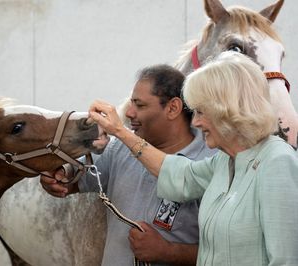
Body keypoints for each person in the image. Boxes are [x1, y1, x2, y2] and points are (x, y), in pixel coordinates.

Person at [88, 52, 298, 265]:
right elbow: (178, 175)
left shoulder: (277, 162)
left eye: (200, 111)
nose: (195, 122)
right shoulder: (225, 162)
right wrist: (121, 132)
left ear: (228, 109)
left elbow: (286, 259)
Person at [40, 64, 216, 265]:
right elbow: (73, 179)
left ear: (173, 108)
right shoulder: (120, 149)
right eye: (132, 103)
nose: (129, 113)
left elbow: (227, 254)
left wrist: (168, 252)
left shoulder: (211, 162)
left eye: (140, 106)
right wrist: (59, 174)